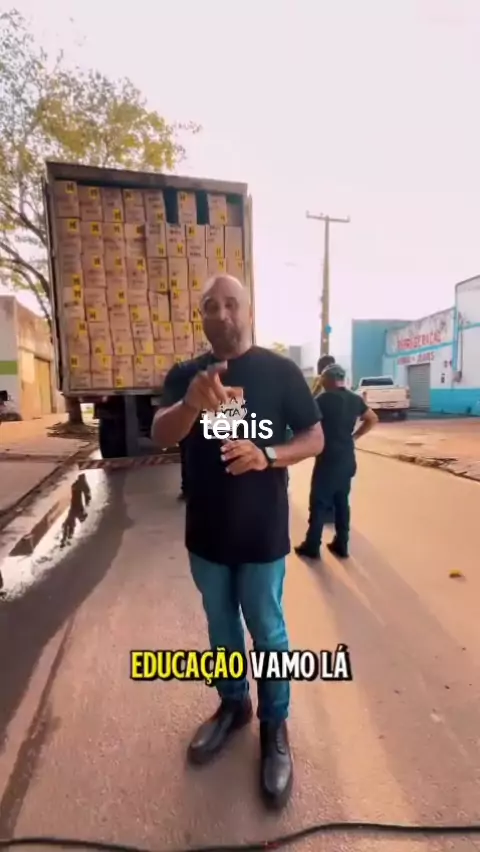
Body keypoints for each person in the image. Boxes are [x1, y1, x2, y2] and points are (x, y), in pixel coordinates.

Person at [152, 274, 324, 810]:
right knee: (222, 628)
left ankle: (275, 726)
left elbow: (314, 436)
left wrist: (268, 455)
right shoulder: (187, 375)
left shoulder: (280, 372)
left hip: (261, 532)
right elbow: (161, 433)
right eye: (211, 306)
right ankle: (234, 705)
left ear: (249, 311)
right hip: (206, 533)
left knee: (268, 632)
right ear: (201, 316)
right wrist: (190, 405)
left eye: (232, 304)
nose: (222, 314)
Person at [295, 363, 378, 560]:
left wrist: (314, 391)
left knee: (319, 502)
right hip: (347, 457)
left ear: (327, 380)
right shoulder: (355, 399)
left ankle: (312, 545)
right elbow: (372, 418)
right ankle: (342, 543)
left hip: (328, 458)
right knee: (342, 502)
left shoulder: (322, 400)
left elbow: (305, 420)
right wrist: (355, 436)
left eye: (322, 379)